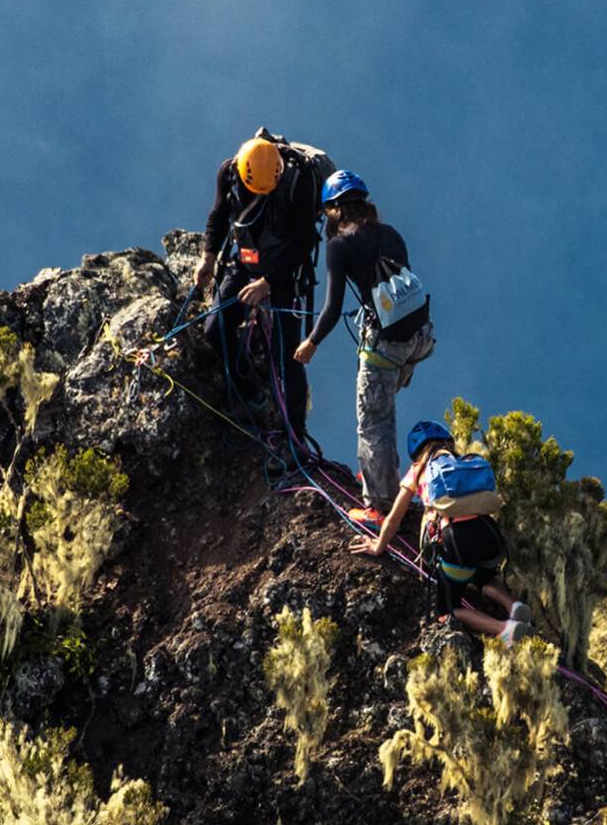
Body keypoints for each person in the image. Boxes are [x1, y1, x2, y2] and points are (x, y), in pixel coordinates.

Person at [293, 171, 434, 523]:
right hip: (421, 336)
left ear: (336, 209)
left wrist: (311, 342)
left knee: (374, 421)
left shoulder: (339, 246)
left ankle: (380, 504)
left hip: (387, 345)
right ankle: (380, 475)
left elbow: (332, 307)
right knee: (383, 407)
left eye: (328, 210)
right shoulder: (392, 235)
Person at [349, 421, 532, 645]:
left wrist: (378, 546)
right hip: (489, 535)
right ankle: (514, 606)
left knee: (448, 609)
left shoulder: (418, 470)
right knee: (485, 575)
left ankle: (505, 629)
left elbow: (395, 518)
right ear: (448, 441)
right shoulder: (463, 462)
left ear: (416, 453)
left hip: (457, 542)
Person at [195, 134, 321, 440]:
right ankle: (249, 392)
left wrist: (268, 282)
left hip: (284, 271)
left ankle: (295, 432)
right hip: (247, 258)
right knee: (215, 329)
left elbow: (304, 242)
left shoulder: (295, 183)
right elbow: (219, 216)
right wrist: (208, 258)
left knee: (287, 355)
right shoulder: (230, 174)